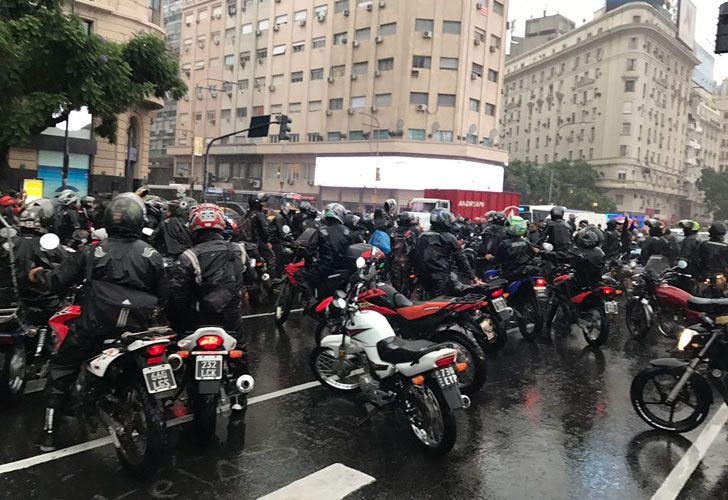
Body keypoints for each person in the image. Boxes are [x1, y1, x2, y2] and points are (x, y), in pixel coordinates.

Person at [30, 193, 167, 451]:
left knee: (61, 368)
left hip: (95, 325)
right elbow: (165, 294)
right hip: (137, 329)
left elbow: (59, 279)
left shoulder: (93, 251)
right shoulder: (152, 254)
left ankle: (48, 432)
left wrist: (38, 277)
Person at [168, 203, 249, 411]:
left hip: (197, 319)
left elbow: (178, 295)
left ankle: (182, 386)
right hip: (230, 320)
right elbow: (251, 277)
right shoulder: (238, 250)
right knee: (239, 351)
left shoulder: (188, 257)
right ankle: (240, 397)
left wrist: (177, 323)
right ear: (221, 226)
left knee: (179, 348)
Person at [14, 199, 68, 326]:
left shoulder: (11, 242)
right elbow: (67, 266)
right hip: (44, 302)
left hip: (15, 301)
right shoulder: (49, 244)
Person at [295, 203, 355, 311]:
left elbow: (310, 250)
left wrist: (307, 264)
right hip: (343, 269)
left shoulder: (322, 231)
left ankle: (311, 299)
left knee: (299, 274)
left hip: (325, 268)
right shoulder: (348, 232)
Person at [414, 209, 480, 297]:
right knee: (441, 303)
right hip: (441, 276)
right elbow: (461, 259)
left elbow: (414, 255)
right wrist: (473, 277)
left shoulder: (422, 236)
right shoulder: (449, 237)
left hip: (422, 275)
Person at [490, 216, 539, 282]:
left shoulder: (505, 243)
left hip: (509, 274)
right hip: (524, 272)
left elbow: (498, 260)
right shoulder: (526, 242)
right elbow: (532, 255)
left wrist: (490, 258)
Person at [245, 197, 276, 277]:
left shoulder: (247, 214)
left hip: (246, 243)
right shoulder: (259, 215)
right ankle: (269, 278)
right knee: (271, 257)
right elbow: (264, 230)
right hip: (257, 242)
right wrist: (267, 241)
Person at [390, 212, 419, 292]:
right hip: (407, 263)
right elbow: (416, 249)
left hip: (393, 263)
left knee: (395, 286)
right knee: (406, 286)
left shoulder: (393, 231)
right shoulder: (413, 232)